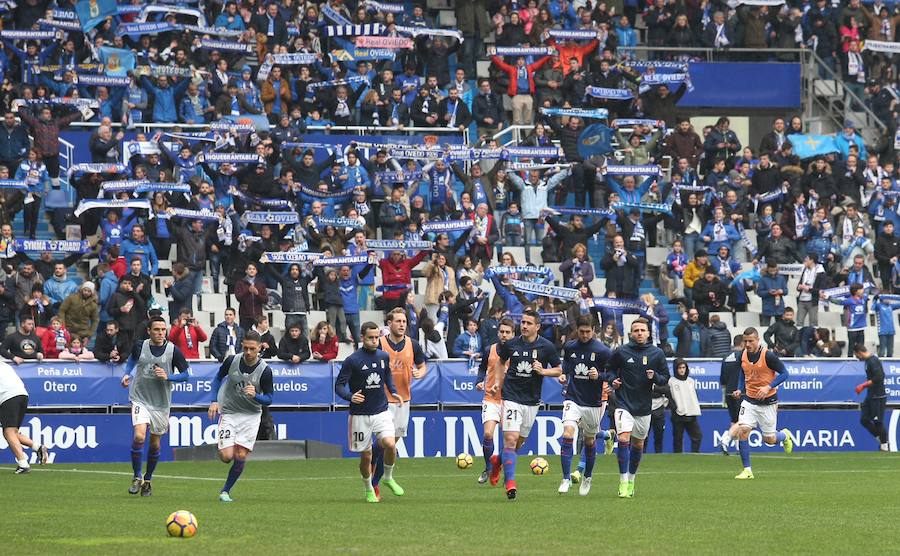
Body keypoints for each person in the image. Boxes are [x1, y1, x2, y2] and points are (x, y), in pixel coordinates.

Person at [488, 309, 561, 500]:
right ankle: (510, 484)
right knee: (510, 440)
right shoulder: (511, 344)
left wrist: (544, 372)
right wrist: (497, 381)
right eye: (522, 322)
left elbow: (560, 370)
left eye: (529, 323)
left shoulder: (547, 347)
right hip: (511, 397)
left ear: (537, 326)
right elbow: (500, 362)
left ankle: (497, 461)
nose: (524, 326)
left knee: (517, 444)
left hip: (532, 401)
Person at [334, 322, 405, 503]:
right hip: (360, 415)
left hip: (381, 410)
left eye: (376, 337)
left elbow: (387, 374)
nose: (374, 341)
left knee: (390, 444)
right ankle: (368, 489)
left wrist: (393, 391)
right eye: (370, 338)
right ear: (362, 338)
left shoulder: (383, 356)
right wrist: (350, 396)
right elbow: (339, 385)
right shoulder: (352, 360)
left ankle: (387, 477)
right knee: (366, 456)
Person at [120, 316, 191, 497]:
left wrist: (168, 376)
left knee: (155, 442)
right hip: (140, 398)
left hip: (160, 403)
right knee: (139, 435)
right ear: (149, 331)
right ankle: (137, 476)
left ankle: (148, 479)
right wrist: (127, 374)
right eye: (157, 329)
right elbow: (131, 360)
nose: (160, 333)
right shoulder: (140, 346)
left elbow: (186, 374)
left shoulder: (173, 350)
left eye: (163, 330)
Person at [605, 318, 670, 498]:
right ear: (631, 333)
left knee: (638, 444)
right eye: (636, 330)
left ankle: (632, 479)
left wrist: (655, 376)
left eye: (643, 330)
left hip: (643, 407)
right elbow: (609, 369)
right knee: (624, 438)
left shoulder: (657, 353)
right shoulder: (622, 352)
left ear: (648, 333)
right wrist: (613, 380)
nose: (639, 333)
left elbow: (666, 378)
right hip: (623, 403)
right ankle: (623, 481)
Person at [372, 308, 427, 498]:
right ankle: (376, 482)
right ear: (389, 324)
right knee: (388, 445)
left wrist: (421, 372)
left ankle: (379, 475)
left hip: (404, 401)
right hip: (383, 400)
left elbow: (422, 364)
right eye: (398, 321)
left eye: (404, 321)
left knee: (389, 445)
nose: (402, 324)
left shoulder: (413, 345)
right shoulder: (379, 344)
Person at [557, 315, 612, 496]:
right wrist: (563, 375)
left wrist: (601, 376)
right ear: (577, 330)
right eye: (582, 331)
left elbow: (612, 375)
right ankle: (565, 478)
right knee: (567, 434)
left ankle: (587, 477)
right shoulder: (571, 346)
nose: (585, 335)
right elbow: (566, 366)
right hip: (573, 398)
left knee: (589, 441)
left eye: (588, 331)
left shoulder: (603, 351)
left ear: (594, 330)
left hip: (593, 402)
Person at [731, 327, 794, 480]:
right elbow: (743, 371)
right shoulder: (743, 355)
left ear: (758, 340)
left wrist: (768, 387)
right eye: (745, 341)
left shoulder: (768, 356)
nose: (747, 344)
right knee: (743, 431)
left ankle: (784, 436)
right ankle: (747, 471)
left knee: (769, 440)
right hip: (749, 401)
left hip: (768, 402)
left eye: (751, 341)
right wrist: (740, 389)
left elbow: (785, 373)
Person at [475, 318, 513, 485]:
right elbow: (483, 367)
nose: (504, 335)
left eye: (508, 332)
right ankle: (488, 467)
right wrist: (480, 380)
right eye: (502, 332)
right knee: (488, 434)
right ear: (498, 333)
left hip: (511, 400)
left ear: (513, 334)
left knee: (509, 440)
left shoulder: (517, 352)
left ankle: (504, 471)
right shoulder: (489, 350)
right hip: (491, 398)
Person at [0, 361, 48, 473]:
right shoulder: (4, 365)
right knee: (14, 432)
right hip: (22, 395)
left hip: (8, 396)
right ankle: (37, 447)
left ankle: (23, 464)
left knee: (8, 432)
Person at [853, 344, 889, 451]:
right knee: (864, 420)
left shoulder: (873, 361)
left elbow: (880, 376)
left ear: (859, 352)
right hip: (871, 395)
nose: (857, 358)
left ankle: (884, 446)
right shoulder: (868, 362)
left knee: (878, 422)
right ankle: (881, 439)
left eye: (856, 355)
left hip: (878, 396)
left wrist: (863, 385)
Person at [668, 358, 703, 453]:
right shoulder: (671, 381)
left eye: (683, 367)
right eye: (679, 368)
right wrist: (675, 408)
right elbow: (669, 397)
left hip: (691, 413)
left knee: (697, 436)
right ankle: (678, 458)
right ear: (676, 369)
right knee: (678, 438)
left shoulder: (691, 381)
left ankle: (695, 455)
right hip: (678, 414)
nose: (682, 370)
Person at [718, 335, 744, 455]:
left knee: (735, 420)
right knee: (743, 420)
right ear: (743, 343)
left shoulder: (726, 357)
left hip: (728, 392)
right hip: (739, 392)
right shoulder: (742, 356)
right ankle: (725, 439)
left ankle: (738, 447)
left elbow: (722, 377)